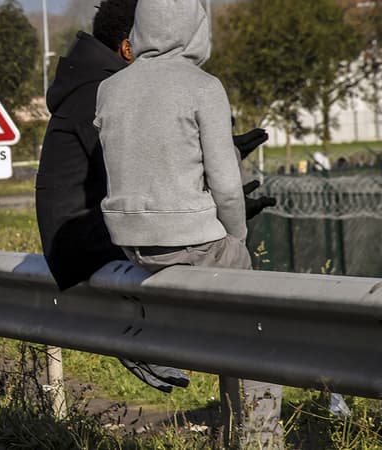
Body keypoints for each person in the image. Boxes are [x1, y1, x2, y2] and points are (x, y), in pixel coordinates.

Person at [95, 0, 281, 444]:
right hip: (191, 240)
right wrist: (235, 236)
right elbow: (226, 183)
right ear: (197, 27)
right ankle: (259, 437)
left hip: (131, 243)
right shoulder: (202, 86)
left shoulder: (111, 88)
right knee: (259, 333)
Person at [36, 0, 191, 394]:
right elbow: (134, 164)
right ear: (127, 48)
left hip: (81, 229)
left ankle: (144, 335)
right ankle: (134, 335)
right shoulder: (101, 90)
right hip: (81, 239)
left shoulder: (95, 81)